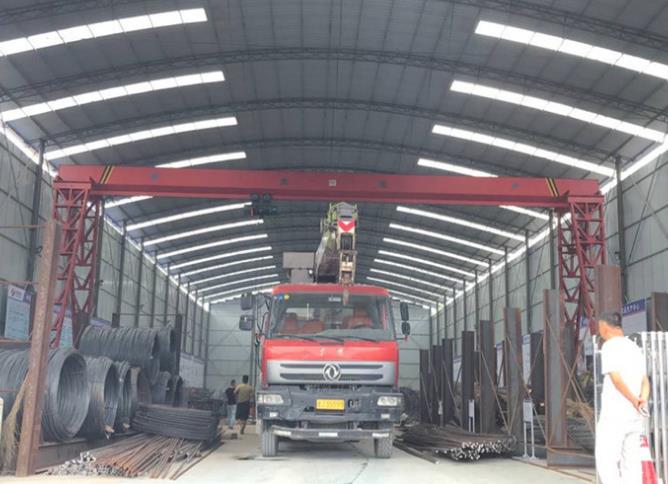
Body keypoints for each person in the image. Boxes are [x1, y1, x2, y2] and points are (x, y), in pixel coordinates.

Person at [595, 311, 650, 484]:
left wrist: (634, 400)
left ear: (604, 327)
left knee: (606, 460)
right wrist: (641, 400)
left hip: (614, 415)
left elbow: (616, 380)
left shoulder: (609, 346)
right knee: (632, 462)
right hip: (634, 416)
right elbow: (645, 382)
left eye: (599, 328)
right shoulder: (635, 348)